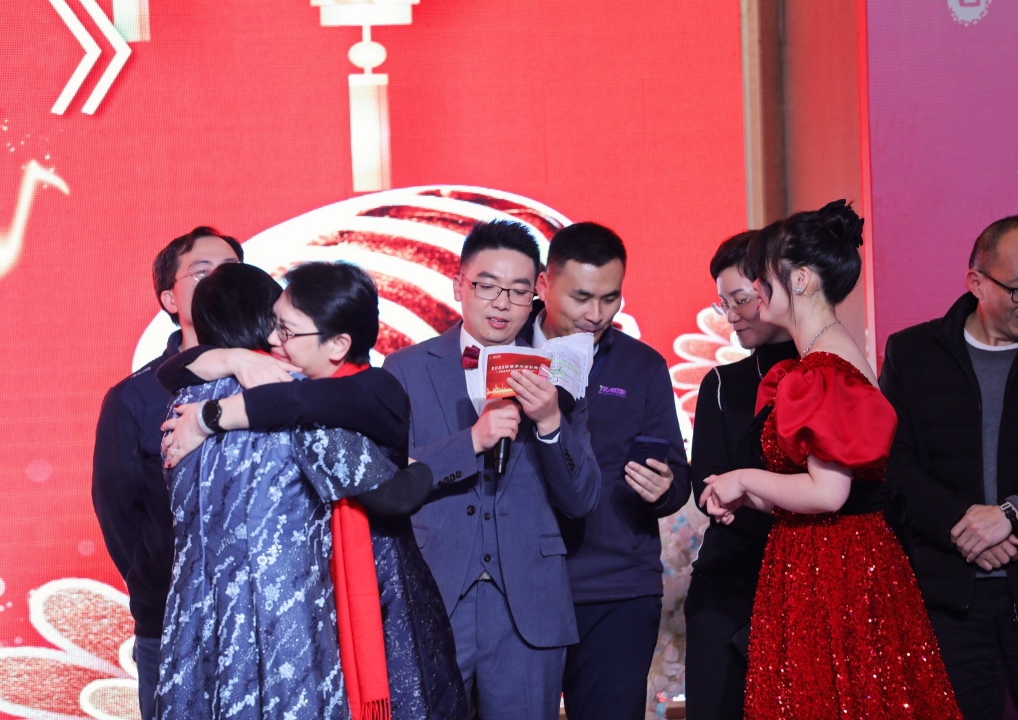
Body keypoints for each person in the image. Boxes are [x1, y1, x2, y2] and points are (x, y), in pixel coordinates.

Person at [159, 262, 467, 719]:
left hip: (202, 616)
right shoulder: (300, 407)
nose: (274, 339)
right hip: (294, 616)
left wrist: (216, 399)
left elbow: (172, 372)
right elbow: (390, 494)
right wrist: (419, 469)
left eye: (285, 328)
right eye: (274, 324)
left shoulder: (182, 405)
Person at [702, 200, 962, 719]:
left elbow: (829, 493)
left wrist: (743, 478)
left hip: (832, 571)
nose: (756, 288)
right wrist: (748, 495)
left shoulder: (822, 369)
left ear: (799, 280)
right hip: (831, 559)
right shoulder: (826, 357)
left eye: (762, 275)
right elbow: (834, 488)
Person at [381, 219, 601, 720]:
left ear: (536, 294)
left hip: (528, 602)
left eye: (519, 291)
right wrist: (471, 442)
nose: (503, 303)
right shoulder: (406, 369)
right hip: (435, 591)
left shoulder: (560, 372)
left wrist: (550, 423)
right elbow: (389, 479)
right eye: (487, 286)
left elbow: (582, 497)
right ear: (459, 285)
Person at [879, 214, 1018, 720]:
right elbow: (894, 465)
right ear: (977, 282)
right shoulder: (912, 353)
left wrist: (1012, 512)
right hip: (948, 596)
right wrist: (966, 525)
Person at [517, 221, 690, 719]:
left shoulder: (642, 366)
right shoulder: (504, 354)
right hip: (520, 586)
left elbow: (678, 477)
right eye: (582, 297)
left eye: (610, 298)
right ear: (544, 284)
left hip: (618, 589)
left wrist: (664, 488)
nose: (596, 314)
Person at [91, 225, 241, 720]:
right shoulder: (134, 397)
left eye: (231, 271)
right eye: (202, 272)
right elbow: (119, 515)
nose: (219, 282)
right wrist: (160, 581)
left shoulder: (278, 380)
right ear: (169, 299)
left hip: (266, 616)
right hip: (170, 623)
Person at [684, 229, 796, 720]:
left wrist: (746, 489)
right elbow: (706, 484)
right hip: (729, 583)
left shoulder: (831, 373)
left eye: (740, 300)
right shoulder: (721, 384)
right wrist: (726, 497)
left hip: (805, 583)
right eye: (722, 302)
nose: (730, 315)